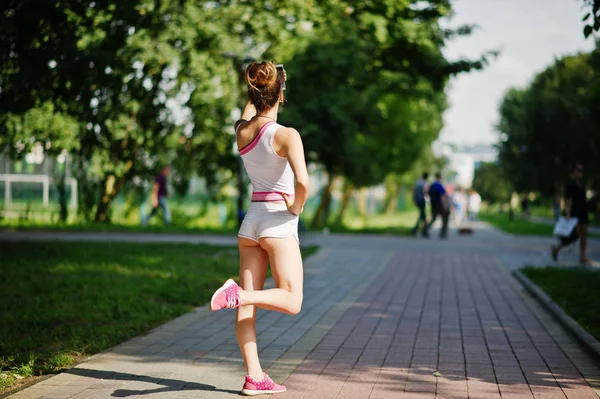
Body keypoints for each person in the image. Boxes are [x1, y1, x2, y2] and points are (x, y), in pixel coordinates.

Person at [209, 61, 309, 396]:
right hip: (277, 220)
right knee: (292, 300)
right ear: (282, 92)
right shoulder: (287, 135)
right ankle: (238, 293)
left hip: (251, 222)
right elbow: (303, 183)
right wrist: (295, 209)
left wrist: (259, 88)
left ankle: (255, 377)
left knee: (245, 309)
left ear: (254, 93)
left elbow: (250, 111)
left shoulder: (242, 130)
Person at [552, 163, 590, 264]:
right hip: (574, 213)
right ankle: (556, 248)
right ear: (573, 172)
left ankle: (582, 257)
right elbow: (569, 200)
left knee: (584, 235)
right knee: (574, 235)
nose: (579, 173)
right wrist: (568, 213)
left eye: (581, 171)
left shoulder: (582, 185)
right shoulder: (570, 185)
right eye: (577, 171)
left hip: (583, 213)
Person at [426, 173, 449, 238]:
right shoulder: (439, 186)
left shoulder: (432, 185)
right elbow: (443, 196)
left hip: (433, 204)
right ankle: (443, 233)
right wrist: (445, 205)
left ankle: (425, 229)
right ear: (439, 178)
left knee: (433, 218)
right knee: (445, 218)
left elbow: (428, 194)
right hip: (439, 204)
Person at [411, 172, 429, 237]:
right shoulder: (424, 183)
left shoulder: (418, 182)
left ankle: (418, 229)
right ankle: (421, 230)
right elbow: (426, 192)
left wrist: (414, 199)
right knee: (422, 215)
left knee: (422, 215)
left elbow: (413, 190)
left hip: (417, 200)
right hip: (421, 200)